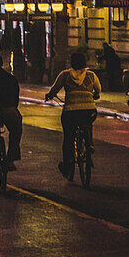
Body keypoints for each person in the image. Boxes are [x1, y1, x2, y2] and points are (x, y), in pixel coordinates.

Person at [46, 51, 101, 179]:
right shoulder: (91, 75)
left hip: (71, 111)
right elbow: (98, 89)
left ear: (71, 62)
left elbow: (54, 89)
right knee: (88, 123)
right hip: (89, 110)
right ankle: (89, 143)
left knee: (68, 138)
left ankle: (66, 167)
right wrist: (95, 95)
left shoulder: (65, 75)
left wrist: (49, 95)